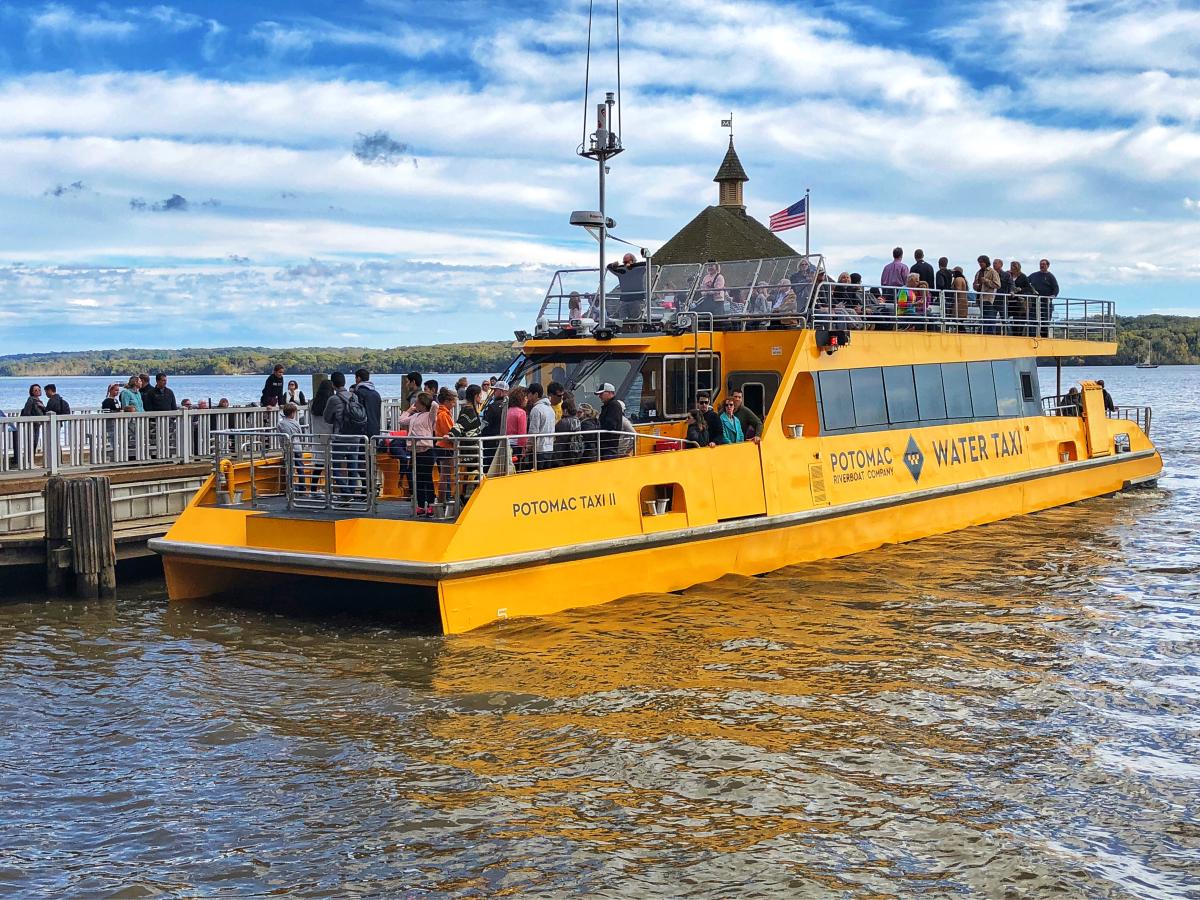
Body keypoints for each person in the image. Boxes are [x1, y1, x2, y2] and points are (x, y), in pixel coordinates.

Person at [399, 391, 439, 516]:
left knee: (427, 478)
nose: (415, 403)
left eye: (417, 402)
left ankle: (431, 504)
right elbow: (401, 421)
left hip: (426, 450)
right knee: (418, 479)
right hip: (415, 451)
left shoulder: (429, 416)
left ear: (423, 403)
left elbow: (435, 406)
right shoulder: (415, 416)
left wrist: (428, 397)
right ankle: (421, 505)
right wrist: (409, 410)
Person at [434, 387, 458, 511]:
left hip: (442, 446)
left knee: (445, 474)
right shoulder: (443, 415)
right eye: (453, 402)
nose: (454, 405)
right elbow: (449, 432)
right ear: (447, 401)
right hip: (445, 446)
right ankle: (441, 499)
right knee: (445, 474)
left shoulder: (441, 413)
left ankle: (442, 498)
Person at [607, 252, 647, 321]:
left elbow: (646, 263)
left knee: (636, 321)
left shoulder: (639, 269)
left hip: (637, 300)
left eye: (627, 262)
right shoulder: (622, 271)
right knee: (622, 322)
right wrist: (614, 265)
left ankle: (637, 331)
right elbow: (609, 267)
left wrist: (633, 265)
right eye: (624, 262)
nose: (625, 264)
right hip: (624, 300)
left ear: (633, 261)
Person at [278, 402, 307, 490]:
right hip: (297, 447)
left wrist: (282, 447)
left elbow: (280, 437)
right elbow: (301, 434)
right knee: (300, 468)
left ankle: (290, 487)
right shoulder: (296, 423)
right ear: (292, 413)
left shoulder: (280, 424)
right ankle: (302, 487)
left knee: (289, 468)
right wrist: (302, 444)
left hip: (288, 448)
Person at [480, 380, 509, 469]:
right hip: (505, 440)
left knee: (488, 465)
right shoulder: (509, 405)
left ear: (500, 391)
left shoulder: (492, 407)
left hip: (490, 440)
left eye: (495, 390)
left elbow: (485, 424)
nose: (493, 393)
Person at [1028, 258, 1060, 336]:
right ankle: (1032, 336)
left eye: (1043, 264)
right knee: (1032, 320)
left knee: (1045, 321)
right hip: (1034, 302)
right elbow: (1026, 281)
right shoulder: (1034, 275)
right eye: (1040, 264)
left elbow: (1056, 288)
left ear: (1047, 266)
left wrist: (1053, 296)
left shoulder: (1050, 276)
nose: (1041, 265)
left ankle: (1044, 337)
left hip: (1046, 303)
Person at [527, 382, 556, 468]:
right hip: (549, 448)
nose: (527, 396)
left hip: (538, 449)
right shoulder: (550, 408)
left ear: (535, 394)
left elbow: (533, 431)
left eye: (529, 394)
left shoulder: (536, 409)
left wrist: (528, 447)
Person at [594, 383, 625, 460]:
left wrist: (597, 427)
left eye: (601, 393)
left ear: (610, 393)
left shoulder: (613, 405)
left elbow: (611, 425)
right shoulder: (610, 405)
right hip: (606, 446)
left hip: (609, 446)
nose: (599, 396)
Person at [552, 398, 583, 467]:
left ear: (565, 410)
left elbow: (556, 436)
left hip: (562, 454)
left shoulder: (563, 422)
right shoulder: (577, 421)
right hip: (574, 452)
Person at [352, 368, 383, 438]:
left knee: (363, 448)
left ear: (358, 378)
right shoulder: (376, 393)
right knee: (373, 448)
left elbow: (356, 412)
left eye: (355, 378)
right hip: (375, 428)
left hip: (363, 429)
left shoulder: (358, 393)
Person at [974, 255, 1001, 330]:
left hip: (988, 298)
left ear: (986, 262)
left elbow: (997, 285)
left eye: (981, 262)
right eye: (979, 262)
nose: (980, 264)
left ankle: (988, 332)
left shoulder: (992, 272)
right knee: (985, 317)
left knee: (988, 317)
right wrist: (975, 286)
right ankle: (984, 331)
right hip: (979, 298)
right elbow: (975, 283)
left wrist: (986, 281)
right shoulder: (978, 272)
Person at [505, 386, 529, 468]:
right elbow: (522, 433)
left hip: (507, 444)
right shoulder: (521, 412)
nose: (527, 400)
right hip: (517, 445)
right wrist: (523, 448)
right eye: (525, 397)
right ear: (520, 398)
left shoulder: (507, 411)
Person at [21, 384, 46, 454]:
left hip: (37, 425)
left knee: (35, 442)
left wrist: (43, 407)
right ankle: (30, 460)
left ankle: (32, 459)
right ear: (32, 392)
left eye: (39, 390)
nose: (38, 391)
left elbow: (44, 412)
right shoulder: (31, 400)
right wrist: (33, 421)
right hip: (32, 425)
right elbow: (26, 412)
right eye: (35, 390)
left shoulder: (39, 401)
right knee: (32, 442)